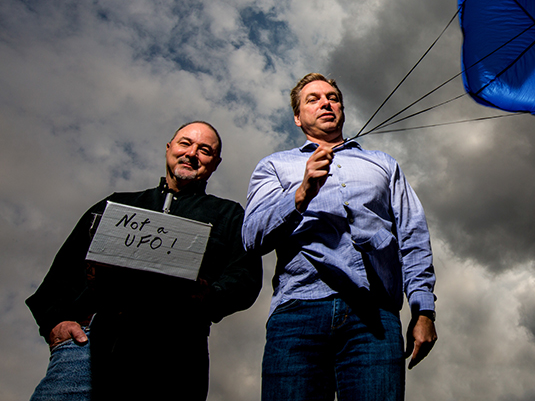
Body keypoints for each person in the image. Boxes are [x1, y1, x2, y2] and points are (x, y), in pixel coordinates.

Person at [26, 121, 263, 401]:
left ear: (215, 163)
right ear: (169, 148)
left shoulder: (229, 215)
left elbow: (245, 277)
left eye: (204, 150)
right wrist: (55, 321)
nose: (191, 154)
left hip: (175, 356)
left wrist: (210, 295)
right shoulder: (116, 205)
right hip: (88, 350)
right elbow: (65, 270)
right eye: (185, 143)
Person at [243, 73, 437, 401]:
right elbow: (252, 237)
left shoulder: (384, 164)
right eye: (313, 99)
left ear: (342, 109)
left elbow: (412, 235)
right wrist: (301, 193)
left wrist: (424, 310)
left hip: (374, 316)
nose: (325, 103)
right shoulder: (275, 166)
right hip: (297, 312)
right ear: (297, 116)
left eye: (332, 97)